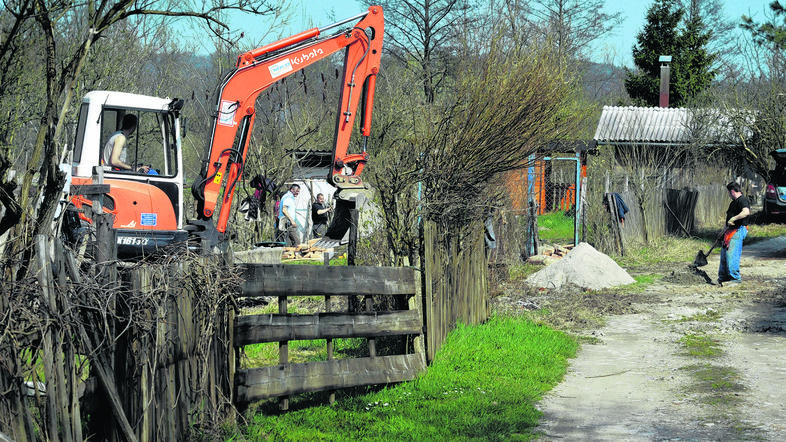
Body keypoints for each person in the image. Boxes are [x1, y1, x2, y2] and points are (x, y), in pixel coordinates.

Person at [718, 181, 750, 285]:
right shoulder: (733, 203)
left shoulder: (743, 200)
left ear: (732, 191)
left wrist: (734, 218)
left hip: (738, 229)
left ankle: (735, 279)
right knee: (724, 254)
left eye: (728, 192)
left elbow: (746, 212)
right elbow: (728, 221)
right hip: (729, 231)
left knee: (732, 254)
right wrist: (722, 232)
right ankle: (723, 277)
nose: (728, 195)